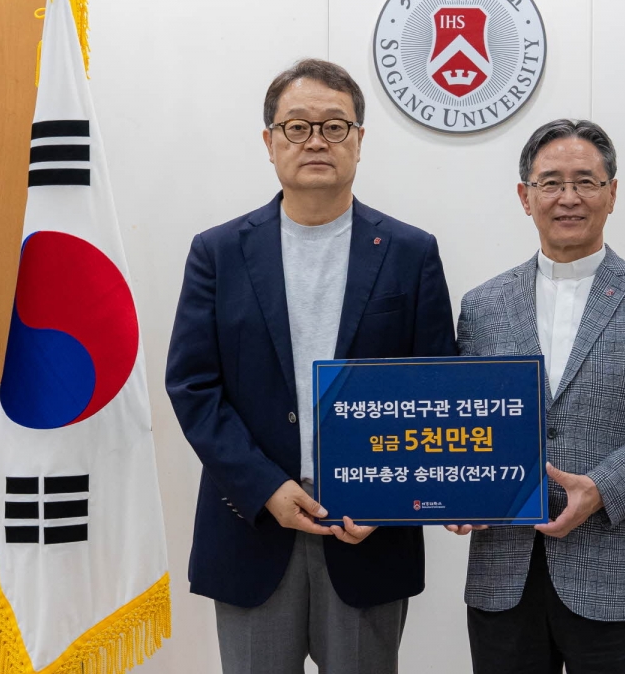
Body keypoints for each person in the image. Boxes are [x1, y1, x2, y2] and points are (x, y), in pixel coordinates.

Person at [166, 59, 456, 674]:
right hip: (250, 525)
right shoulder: (218, 252)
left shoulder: (410, 252)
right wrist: (265, 487)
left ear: (359, 140)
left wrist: (389, 497)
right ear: (269, 141)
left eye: (334, 126)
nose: (316, 141)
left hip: (368, 531)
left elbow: (435, 388)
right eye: (297, 127)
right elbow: (193, 386)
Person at [447, 119, 625, 674]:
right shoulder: (483, 305)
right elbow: (461, 417)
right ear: (525, 197)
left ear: (612, 193)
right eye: (550, 182)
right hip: (502, 579)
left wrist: (602, 488)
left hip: (613, 574)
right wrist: (455, 488)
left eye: (586, 181)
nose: (568, 197)